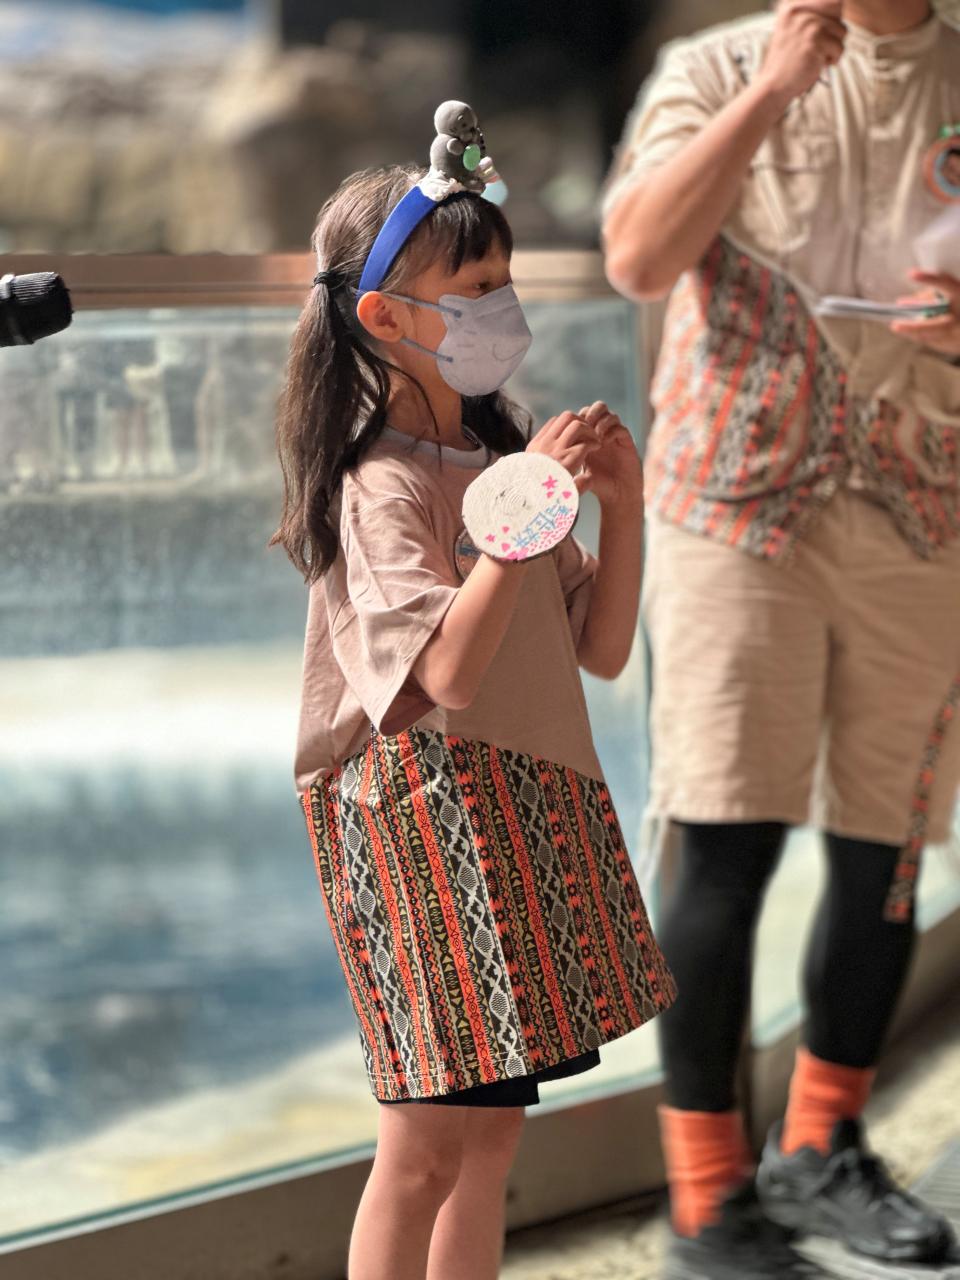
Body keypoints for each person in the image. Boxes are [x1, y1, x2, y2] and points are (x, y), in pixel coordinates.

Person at [272, 107, 676, 1280]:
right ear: (385, 317)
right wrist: (526, 509)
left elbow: (602, 648)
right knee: (422, 1147)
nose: (502, 306)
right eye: (475, 287)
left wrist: (620, 507)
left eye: (504, 279)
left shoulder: (502, 462)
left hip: (524, 804)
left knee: (490, 1137)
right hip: (422, 823)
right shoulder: (378, 484)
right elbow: (441, 674)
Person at [603, 2, 960, 1277]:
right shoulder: (710, 69)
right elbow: (639, 257)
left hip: (923, 507)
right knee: (724, 842)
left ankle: (820, 1146)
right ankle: (707, 1196)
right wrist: (769, 94)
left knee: (885, 851)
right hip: (734, 508)